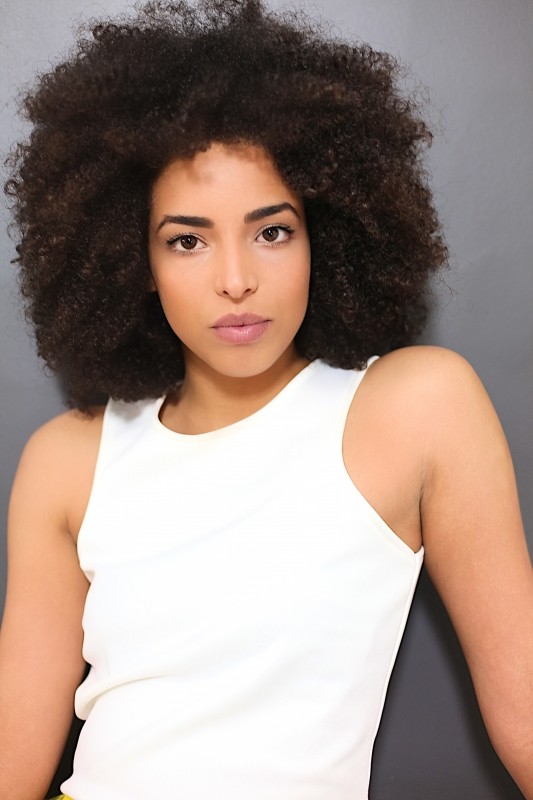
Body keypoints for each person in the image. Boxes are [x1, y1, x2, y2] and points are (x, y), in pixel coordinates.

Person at [1, 1, 531, 798]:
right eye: (187, 240)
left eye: (272, 231)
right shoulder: (68, 459)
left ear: (325, 233)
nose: (235, 279)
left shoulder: (414, 406)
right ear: (135, 261)